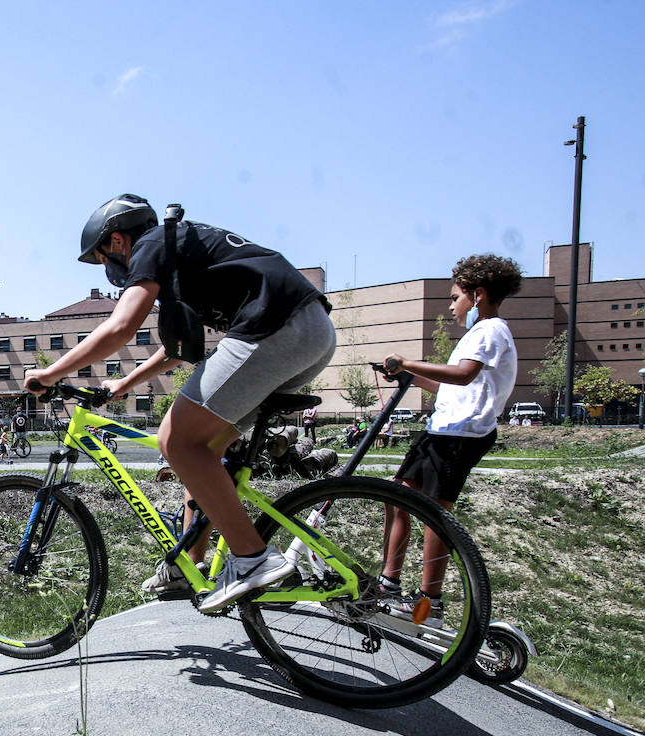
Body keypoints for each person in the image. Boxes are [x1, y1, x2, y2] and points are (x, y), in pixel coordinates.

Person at [25, 194, 336, 611]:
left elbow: (121, 325)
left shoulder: (152, 244)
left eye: (103, 260)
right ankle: (187, 564)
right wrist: (125, 385)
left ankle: (252, 558)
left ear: (118, 241)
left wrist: (51, 373)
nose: (110, 270)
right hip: (311, 333)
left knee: (176, 442)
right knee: (202, 451)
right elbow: (181, 350)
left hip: (277, 330)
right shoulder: (179, 256)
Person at [378, 254, 521, 625]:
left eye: (455, 296)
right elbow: (446, 384)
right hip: (441, 431)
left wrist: (408, 362)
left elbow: (463, 375)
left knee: (434, 517)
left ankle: (430, 603)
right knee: (397, 496)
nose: (451, 305)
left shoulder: (491, 331)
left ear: (478, 295)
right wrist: (408, 376)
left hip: (461, 436)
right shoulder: (478, 334)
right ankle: (389, 584)